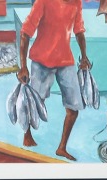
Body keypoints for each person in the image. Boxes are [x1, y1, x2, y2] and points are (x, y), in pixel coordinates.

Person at [17, 0, 93, 161]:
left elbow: (79, 31)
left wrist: (84, 57)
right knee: (35, 103)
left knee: (74, 108)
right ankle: (27, 133)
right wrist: (23, 67)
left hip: (65, 61)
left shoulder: (76, 3)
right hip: (42, 61)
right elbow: (25, 33)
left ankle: (62, 148)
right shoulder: (43, 1)